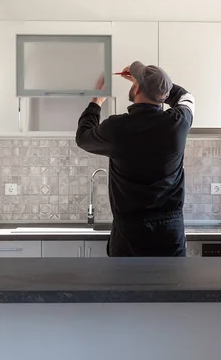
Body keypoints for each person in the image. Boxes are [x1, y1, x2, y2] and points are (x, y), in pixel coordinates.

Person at [76, 61, 195, 257]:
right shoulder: (179, 123)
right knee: (172, 287)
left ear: (137, 87)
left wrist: (96, 101)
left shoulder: (116, 128)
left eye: (135, 82)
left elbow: (83, 137)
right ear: (163, 96)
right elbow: (185, 96)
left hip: (130, 236)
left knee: (127, 287)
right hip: (169, 235)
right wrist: (157, 85)